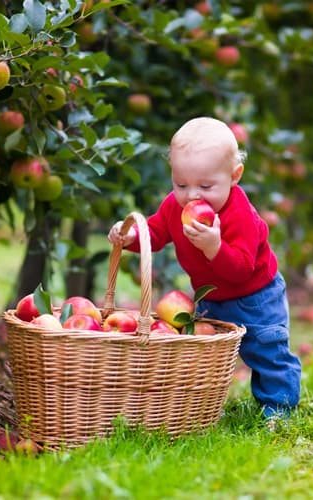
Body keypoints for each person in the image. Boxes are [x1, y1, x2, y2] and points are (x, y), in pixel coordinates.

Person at [108, 116, 301, 419]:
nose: (192, 195)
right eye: (181, 184)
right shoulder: (175, 205)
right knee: (208, 354)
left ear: (234, 176)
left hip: (256, 297)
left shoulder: (240, 215)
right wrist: (129, 237)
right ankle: (205, 407)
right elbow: (156, 233)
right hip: (211, 297)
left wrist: (214, 247)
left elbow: (241, 269)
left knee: (266, 351)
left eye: (206, 186)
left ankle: (278, 408)